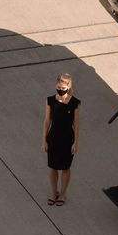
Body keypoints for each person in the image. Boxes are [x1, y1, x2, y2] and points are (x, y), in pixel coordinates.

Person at [42, 72, 80, 205]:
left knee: (65, 168)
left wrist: (75, 142)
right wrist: (44, 141)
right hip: (53, 138)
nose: (60, 89)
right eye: (58, 87)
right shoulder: (50, 101)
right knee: (52, 167)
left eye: (63, 88)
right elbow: (47, 121)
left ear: (68, 87)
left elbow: (76, 124)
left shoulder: (75, 103)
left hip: (67, 139)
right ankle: (53, 193)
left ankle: (63, 194)